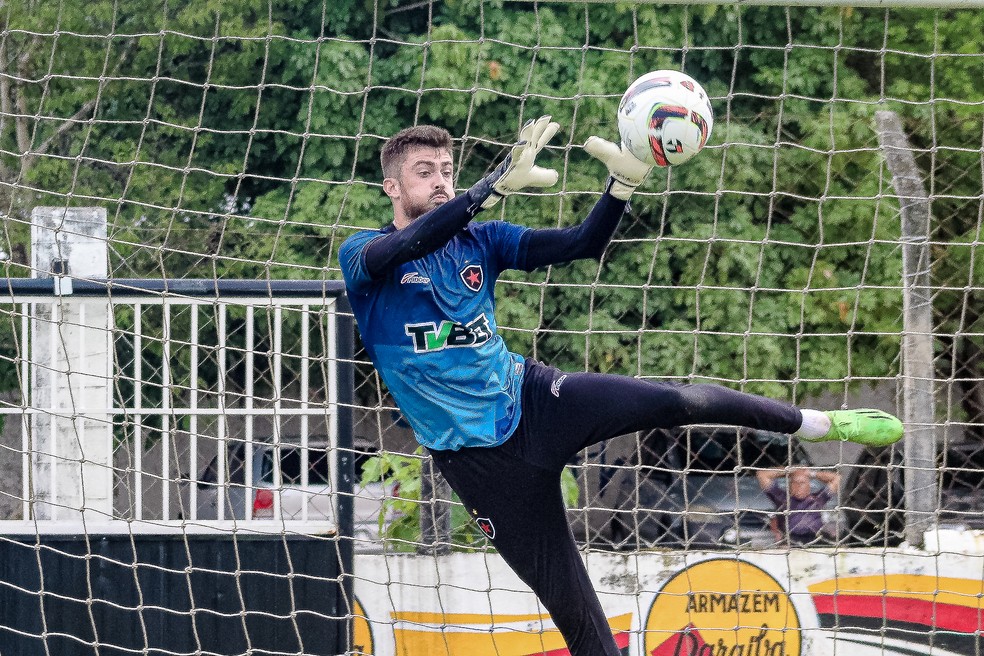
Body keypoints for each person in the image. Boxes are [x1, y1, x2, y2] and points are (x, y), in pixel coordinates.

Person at [338, 116, 904, 656]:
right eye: (424, 172)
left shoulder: (480, 241)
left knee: (674, 400)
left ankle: (819, 420)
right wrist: (483, 192)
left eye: (447, 169)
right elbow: (403, 248)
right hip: (481, 465)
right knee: (580, 620)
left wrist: (622, 187)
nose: (440, 181)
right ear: (392, 185)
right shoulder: (363, 256)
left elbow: (583, 244)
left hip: (532, 399)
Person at [757, 466, 841, 545]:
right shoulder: (781, 498)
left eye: (802, 483)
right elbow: (762, 474)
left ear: (808, 485)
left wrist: (811, 473)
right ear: (789, 485)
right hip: (791, 539)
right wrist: (789, 471)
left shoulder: (818, 498)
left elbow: (836, 478)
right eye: (795, 482)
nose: (799, 486)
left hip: (815, 538)